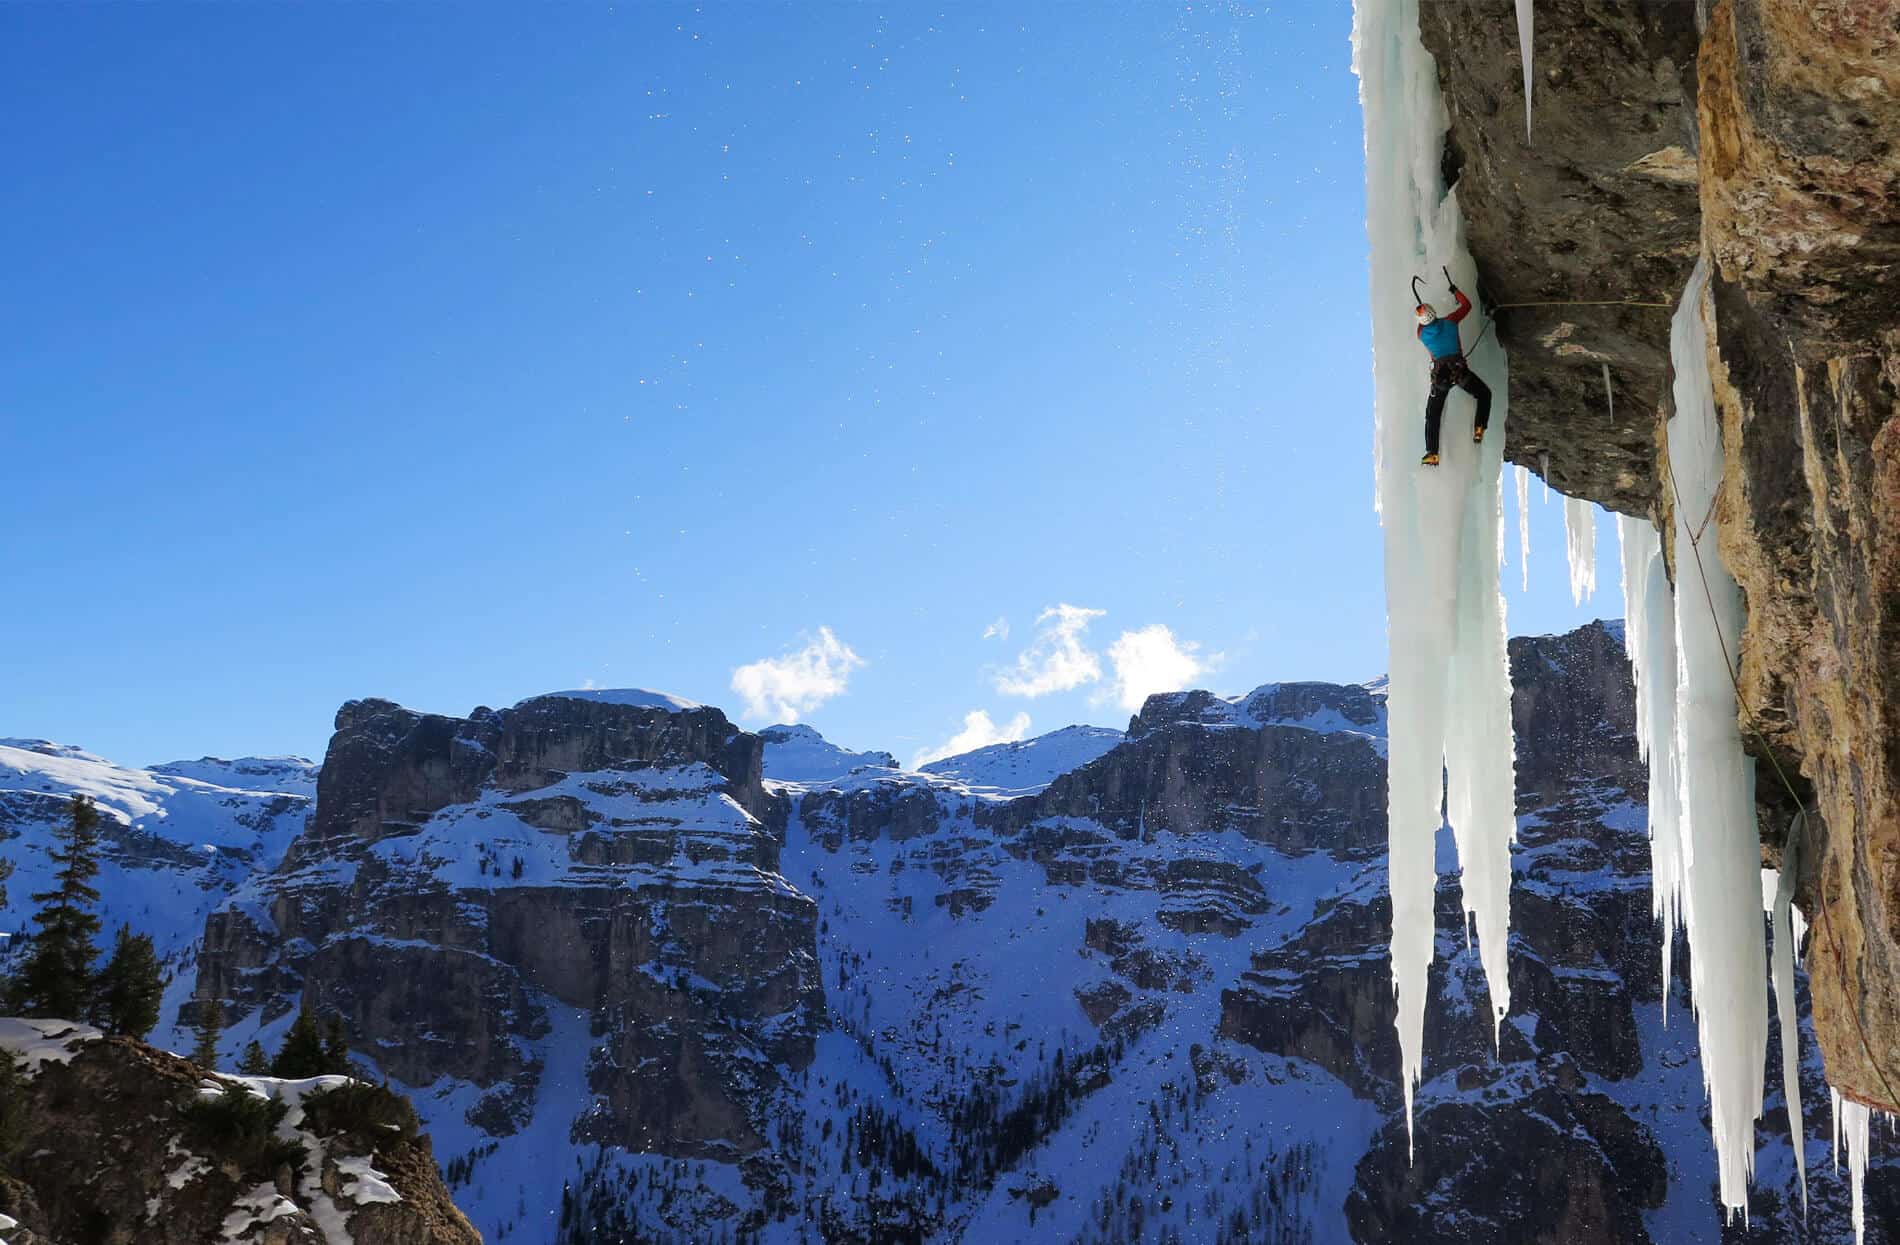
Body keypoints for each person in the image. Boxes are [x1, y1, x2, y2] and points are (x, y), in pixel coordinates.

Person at [1414, 277, 1491, 466]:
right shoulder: (1451, 321)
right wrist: (1455, 291)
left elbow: (1422, 324)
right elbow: (1467, 305)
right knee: (1484, 394)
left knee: (1433, 415)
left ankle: (1432, 453)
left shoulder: (1421, 334)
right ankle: (1479, 428)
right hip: (1459, 372)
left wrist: (1422, 313)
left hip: (1441, 378)